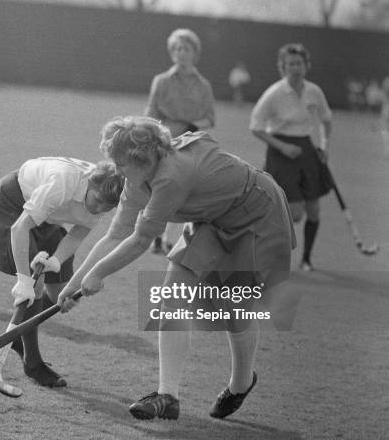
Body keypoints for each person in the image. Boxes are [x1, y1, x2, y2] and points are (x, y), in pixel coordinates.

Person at [58, 116, 295, 421]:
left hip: (257, 213)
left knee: (236, 308)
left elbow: (141, 239)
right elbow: (115, 235)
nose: (115, 170)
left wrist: (99, 274)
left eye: (120, 163)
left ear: (142, 159)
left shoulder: (172, 176)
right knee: (172, 297)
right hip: (213, 218)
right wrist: (73, 286)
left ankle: (241, 382)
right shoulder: (135, 182)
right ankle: (167, 396)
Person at [0, 156, 124, 388]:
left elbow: (77, 234)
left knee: (57, 294)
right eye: (98, 200)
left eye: (108, 206)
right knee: (34, 286)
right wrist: (24, 280)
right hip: (11, 205)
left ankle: (18, 334)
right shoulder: (62, 182)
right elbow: (20, 227)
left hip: (47, 214)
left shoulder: (104, 197)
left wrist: (56, 260)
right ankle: (32, 362)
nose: (100, 208)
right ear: (91, 184)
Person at [249, 43, 332, 271]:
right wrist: (282, 147)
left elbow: (327, 120)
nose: (295, 68)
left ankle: (306, 259)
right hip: (281, 152)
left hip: (307, 150)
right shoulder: (274, 93)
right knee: (295, 214)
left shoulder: (314, 91)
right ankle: (264, 249)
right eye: (290, 64)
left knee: (314, 209)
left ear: (306, 66)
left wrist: (324, 146)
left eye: (299, 63)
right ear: (283, 67)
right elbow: (256, 127)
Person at [144, 28, 215, 255]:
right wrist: (156, 135)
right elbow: (151, 112)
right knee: (159, 190)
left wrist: (191, 126)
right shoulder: (161, 81)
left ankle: (169, 239)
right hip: (164, 141)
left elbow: (209, 118)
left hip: (191, 142)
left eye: (186, 49)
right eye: (177, 48)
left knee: (183, 193)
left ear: (195, 53)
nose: (181, 53)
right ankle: (156, 237)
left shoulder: (203, 85)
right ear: (171, 52)